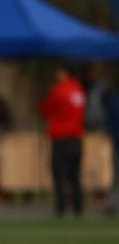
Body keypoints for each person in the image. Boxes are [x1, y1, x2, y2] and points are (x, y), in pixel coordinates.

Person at [40, 65, 86, 216]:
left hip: (61, 138)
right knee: (75, 175)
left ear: (62, 73)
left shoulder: (59, 91)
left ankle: (61, 208)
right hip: (76, 138)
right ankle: (78, 208)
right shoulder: (79, 90)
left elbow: (45, 110)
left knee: (59, 175)